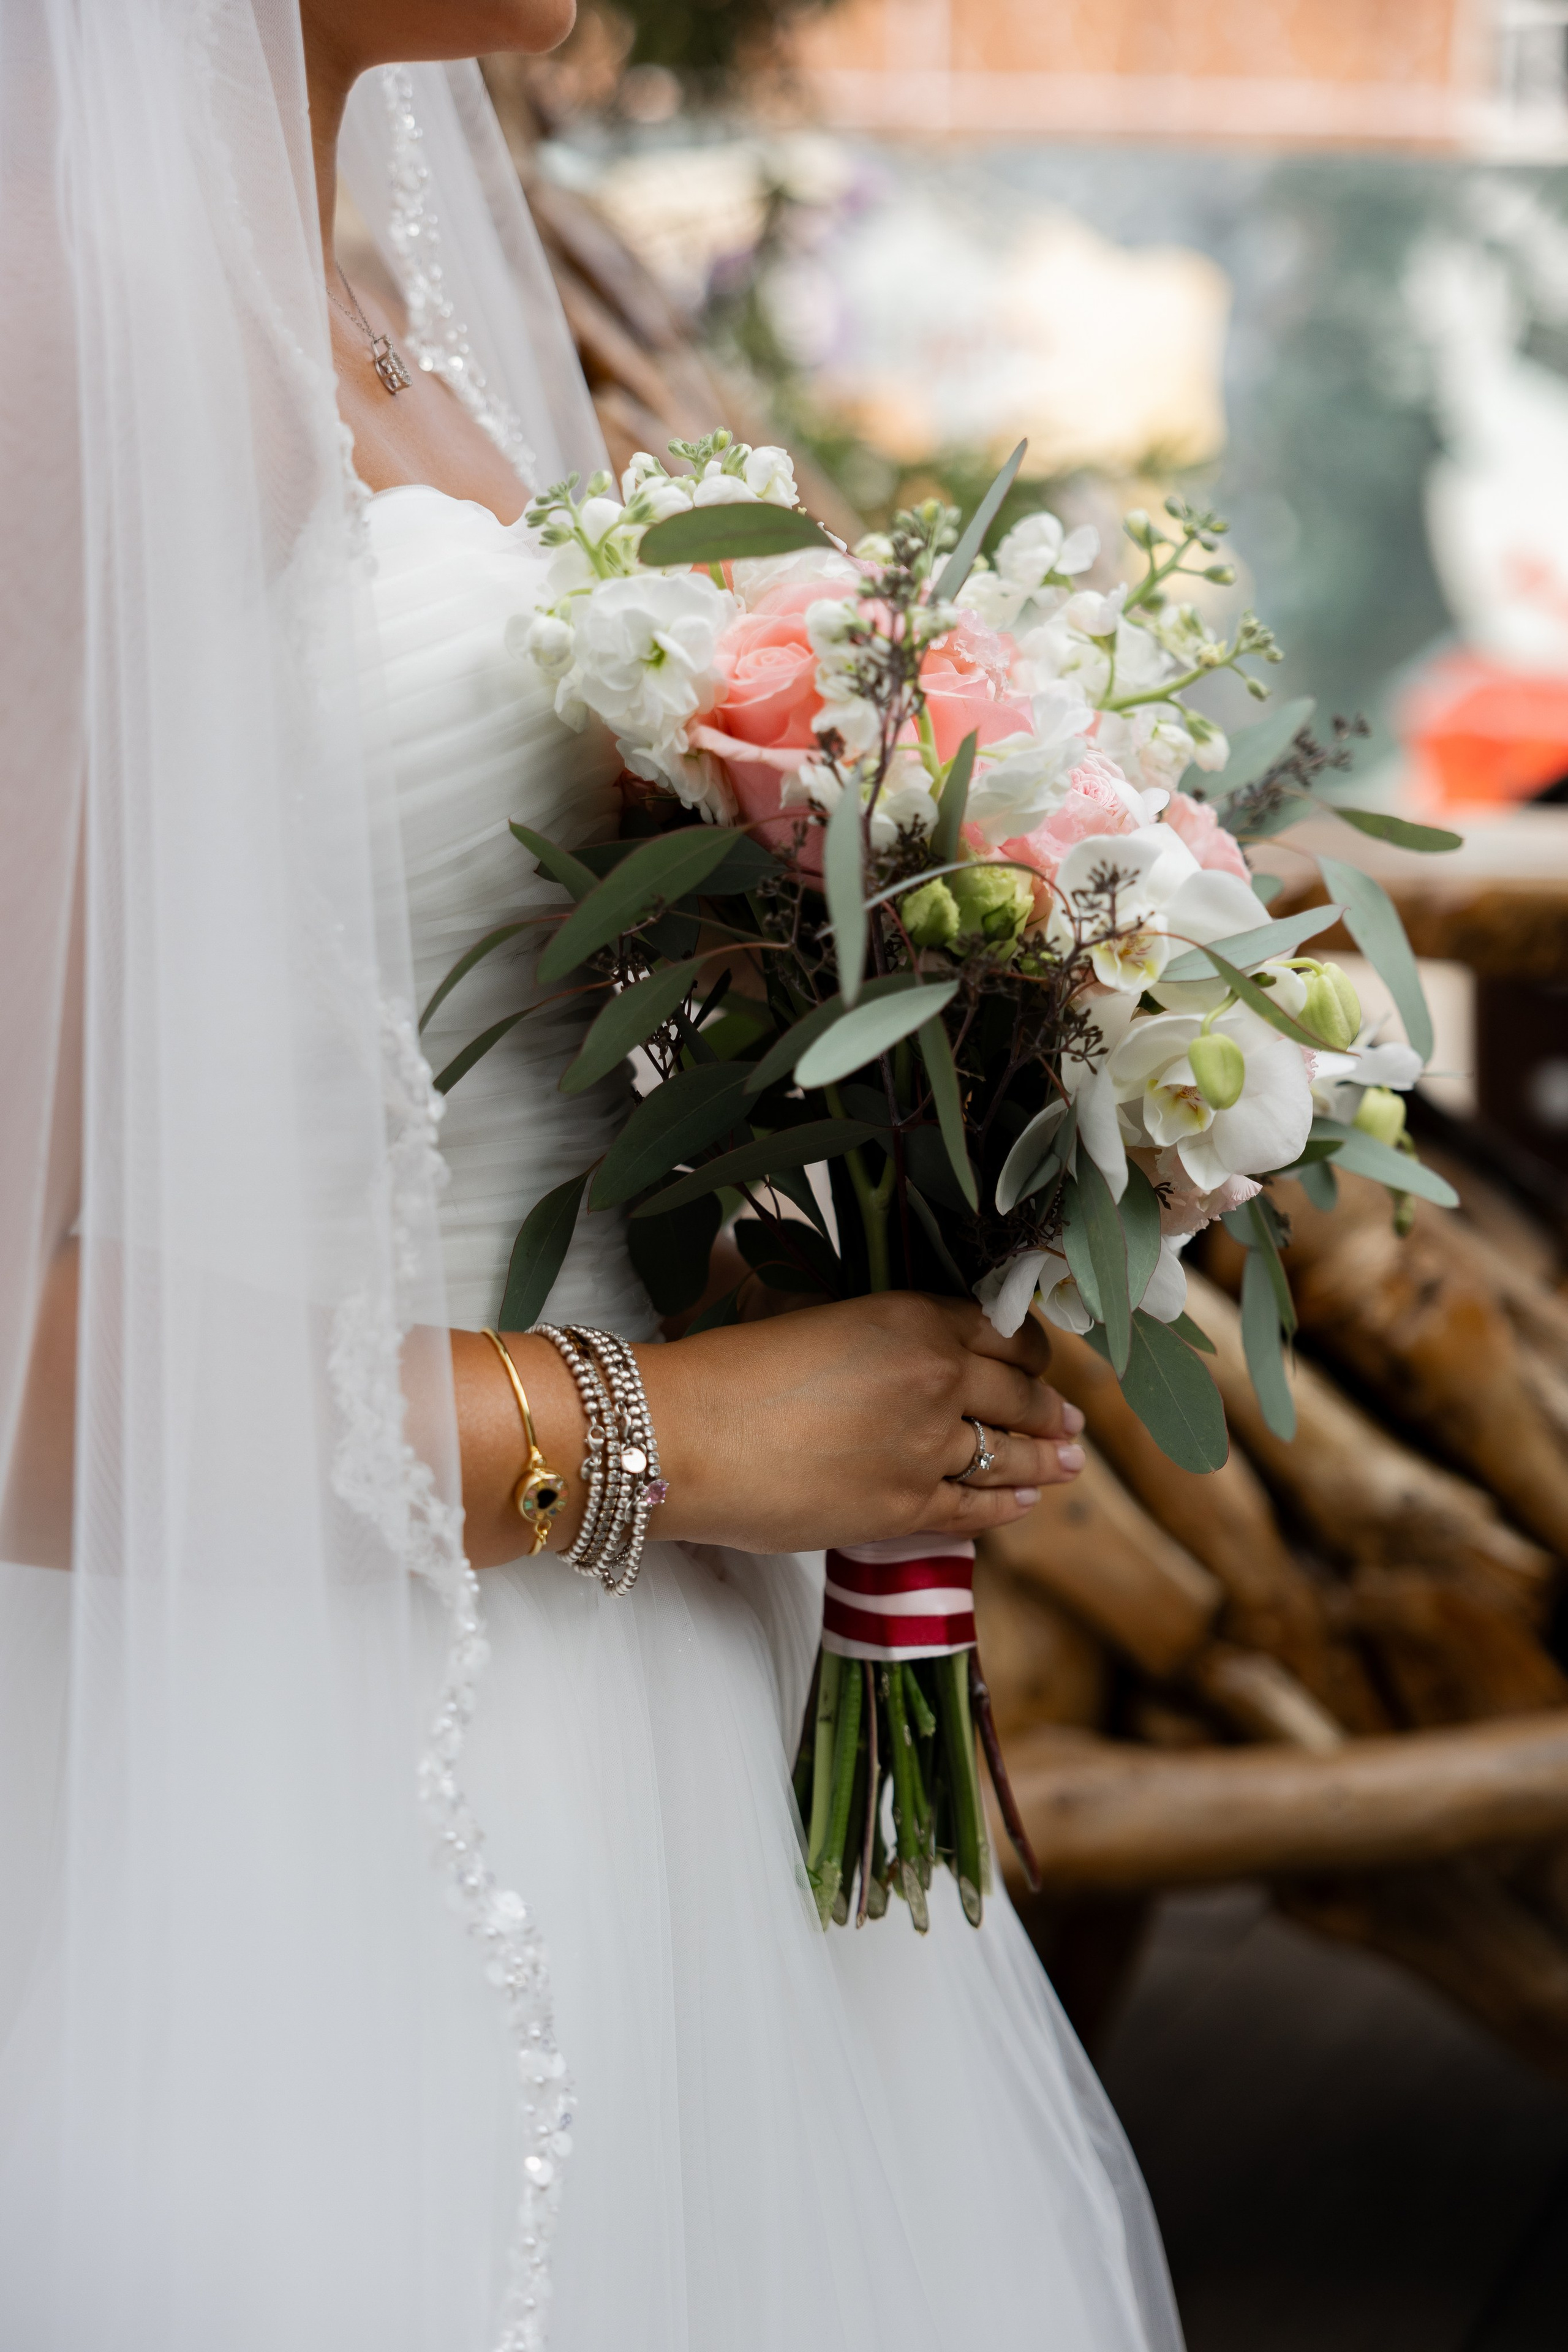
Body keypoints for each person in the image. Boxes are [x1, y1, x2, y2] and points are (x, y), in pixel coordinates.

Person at [0, 4, 1182, 2347]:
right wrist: (670, 1434)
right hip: (278, 1763)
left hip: (655, 1700)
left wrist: (836, 1217)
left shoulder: (389, 316)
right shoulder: (66, 323)